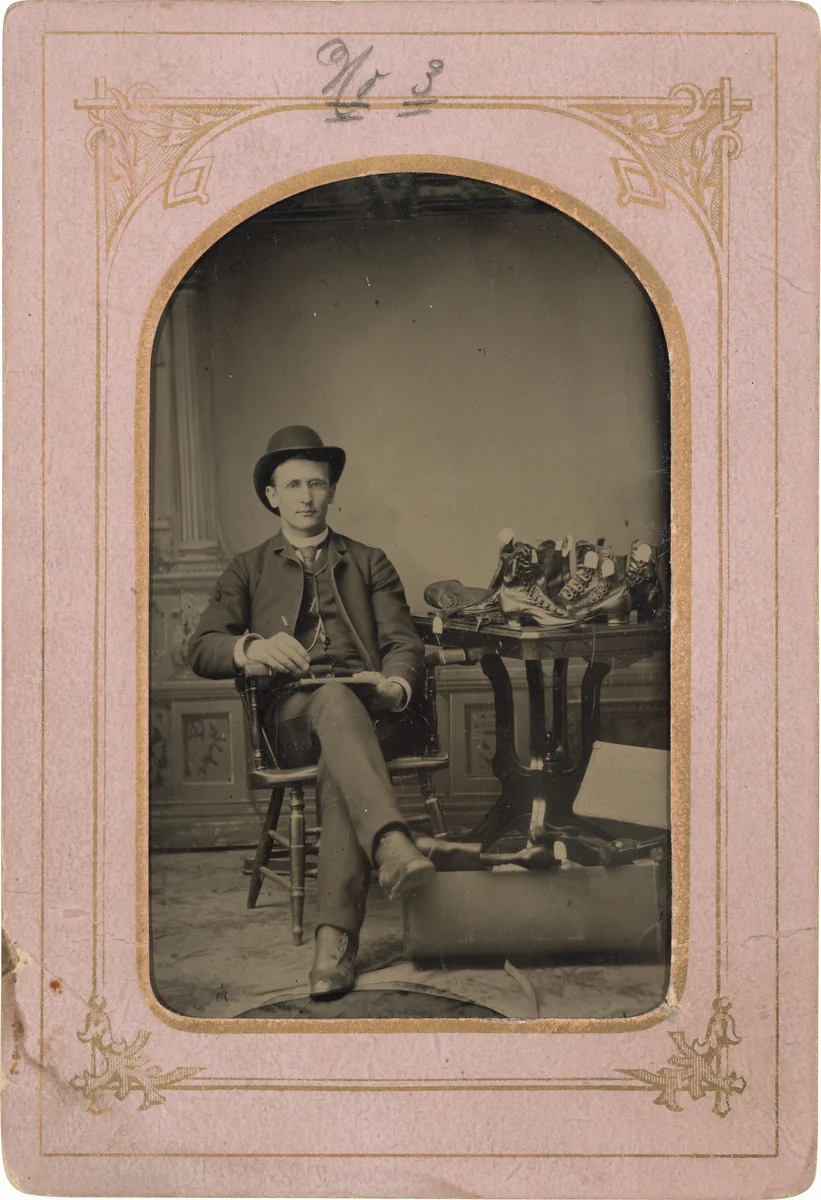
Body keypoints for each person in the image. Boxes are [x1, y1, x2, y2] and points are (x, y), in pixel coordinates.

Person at [188, 425, 436, 998]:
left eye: (316, 484)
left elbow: (403, 643)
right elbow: (200, 647)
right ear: (272, 496)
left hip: (373, 719)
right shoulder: (247, 567)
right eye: (293, 484)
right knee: (329, 701)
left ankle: (334, 946)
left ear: (331, 493)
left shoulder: (370, 560)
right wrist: (250, 649)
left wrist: (396, 686)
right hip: (292, 719)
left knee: (341, 751)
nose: (306, 496)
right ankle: (390, 843)